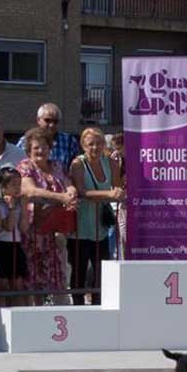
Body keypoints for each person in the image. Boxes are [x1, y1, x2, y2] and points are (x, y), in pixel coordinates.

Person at [17, 127, 78, 306]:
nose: (41, 151)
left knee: (58, 273)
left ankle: (58, 311)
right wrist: (61, 198)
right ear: (29, 149)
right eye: (36, 147)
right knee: (33, 273)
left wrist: (72, 193)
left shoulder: (57, 165)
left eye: (44, 146)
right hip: (33, 228)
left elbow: (69, 184)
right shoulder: (25, 166)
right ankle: (35, 313)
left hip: (55, 230)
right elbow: (30, 190)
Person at [69, 127, 124, 305]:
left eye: (99, 143)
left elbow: (117, 187)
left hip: (100, 227)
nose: (95, 147)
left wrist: (118, 193)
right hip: (80, 226)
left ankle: (99, 306)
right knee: (79, 271)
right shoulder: (78, 163)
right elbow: (81, 192)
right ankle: (77, 308)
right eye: (91, 144)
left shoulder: (111, 163)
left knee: (101, 272)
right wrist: (109, 195)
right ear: (83, 146)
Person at [0, 167, 30, 306]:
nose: (17, 188)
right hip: (1, 245)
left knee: (18, 282)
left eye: (19, 184)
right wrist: (12, 208)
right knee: (3, 284)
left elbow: (23, 228)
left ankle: (19, 313)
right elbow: (7, 227)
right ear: (3, 186)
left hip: (16, 244)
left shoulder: (19, 203)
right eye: (13, 184)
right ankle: (3, 314)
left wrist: (24, 207)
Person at [17, 103, 80, 173]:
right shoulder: (26, 141)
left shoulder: (69, 141)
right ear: (38, 120)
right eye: (47, 120)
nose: (51, 125)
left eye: (55, 121)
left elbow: (75, 168)